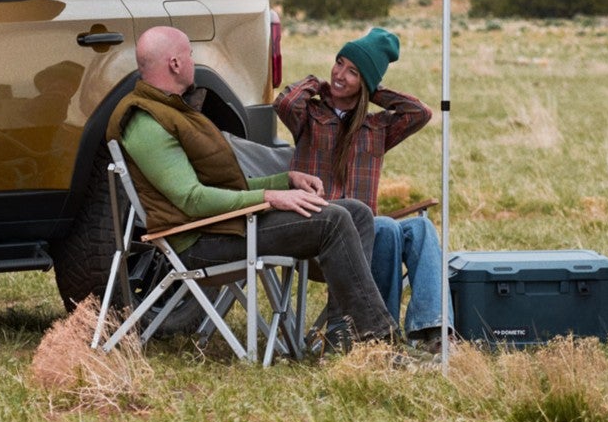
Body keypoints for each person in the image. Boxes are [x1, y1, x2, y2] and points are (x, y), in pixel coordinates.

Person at [107, 26, 396, 351]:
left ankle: (342, 341)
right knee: (333, 221)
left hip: (225, 225)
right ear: (174, 63)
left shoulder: (172, 110)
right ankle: (378, 341)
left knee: (355, 211)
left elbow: (219, 187)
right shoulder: (146, 123)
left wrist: (285, 181)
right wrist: (271, 197)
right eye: (189, 53)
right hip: (200, 242)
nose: (193, 59)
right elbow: (192, 199)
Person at [275, 26, 450, 349]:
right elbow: (285, 103)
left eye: (352, 71)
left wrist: (373, 90)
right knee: (385, 226)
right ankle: (379, 336)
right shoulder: (311, 117)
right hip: (319, 238)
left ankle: (433, 330)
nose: (340, 73)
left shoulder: (376, 128)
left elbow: (419, 113)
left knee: (421, 228)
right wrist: (319, 84)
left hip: (366, 241)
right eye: (339, 63)